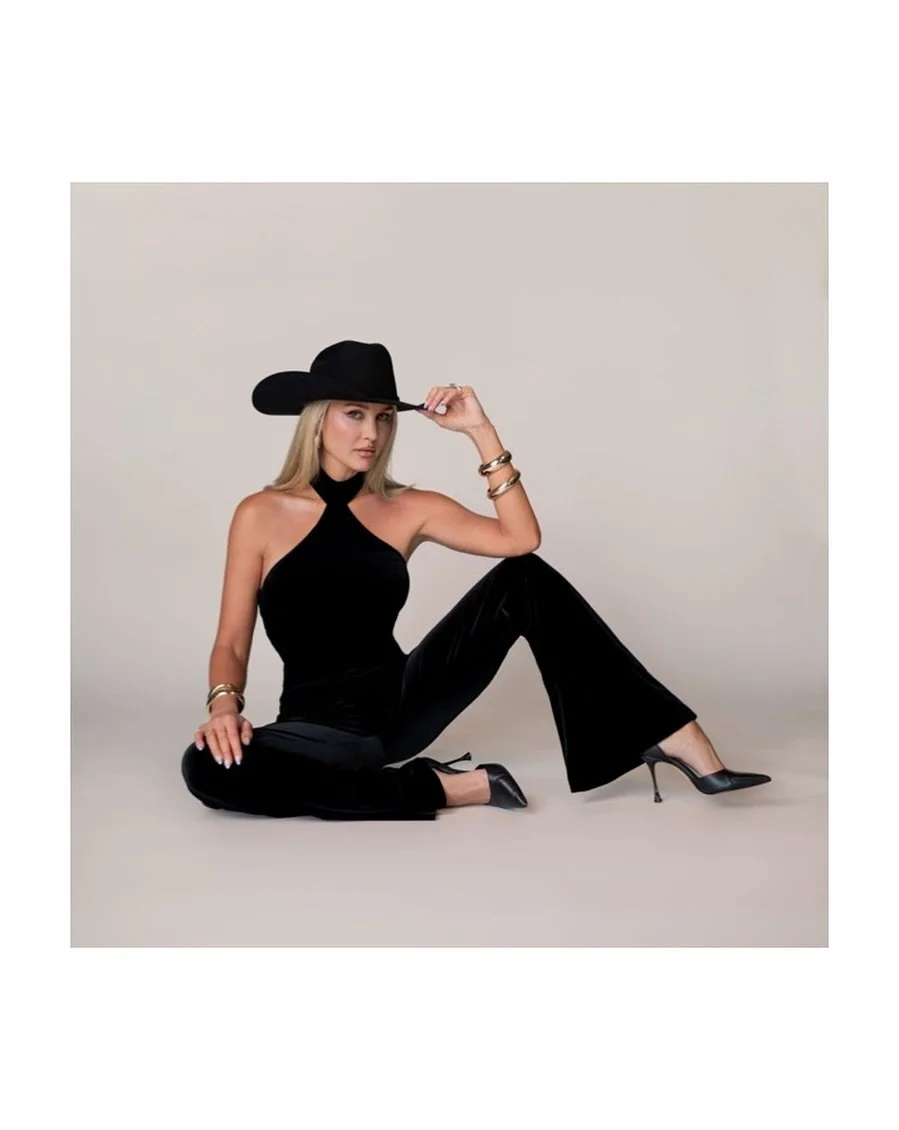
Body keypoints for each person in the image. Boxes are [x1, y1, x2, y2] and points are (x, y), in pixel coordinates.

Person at [180, 340, 771, 821]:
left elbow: (521, 541)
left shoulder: (409, 508)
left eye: (384, 419)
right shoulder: (259, 513)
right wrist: (224, 707)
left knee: (525, 579)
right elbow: (232, 640)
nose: (372, 434)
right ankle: (456, 788)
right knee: (203, 768)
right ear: (318, 420)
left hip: (399, 707)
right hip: (309, 728)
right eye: (354, 414)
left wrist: (480, 432)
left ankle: (674, 732)